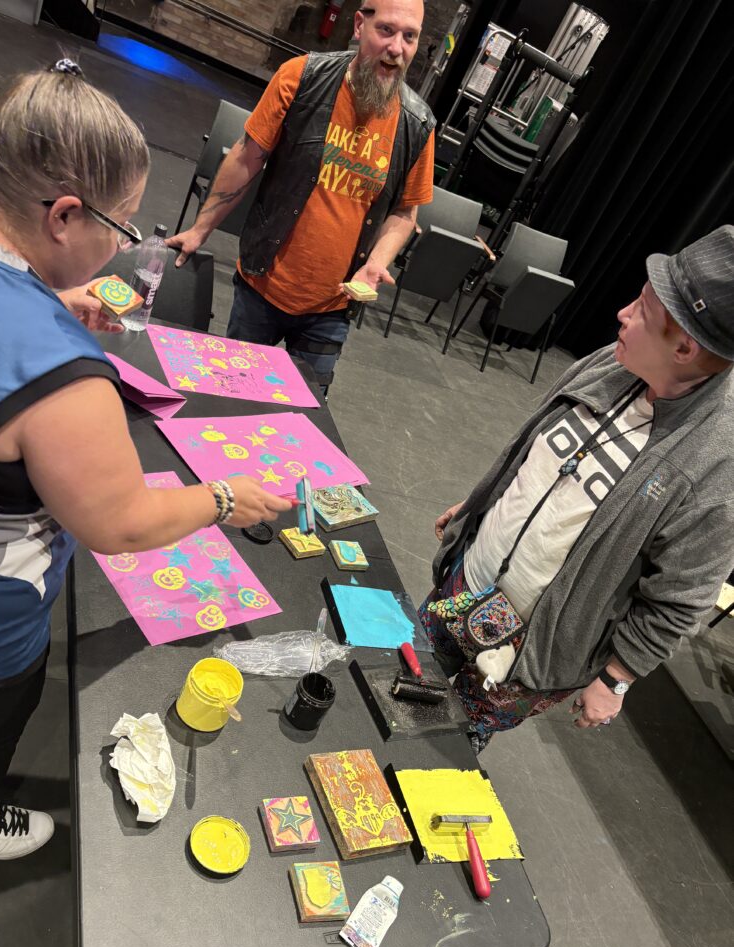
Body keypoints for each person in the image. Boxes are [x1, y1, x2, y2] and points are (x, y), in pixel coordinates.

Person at [0, 61, 291, 862]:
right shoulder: (61, 373)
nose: (121, 248)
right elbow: (119, 525)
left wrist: (43, 302)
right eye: (121, 227)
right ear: (64, 215)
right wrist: (223, 499)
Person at [421, 226, 734, 754]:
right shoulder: (615, 360)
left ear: (684, 346)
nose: (623, 313)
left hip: (525, 651)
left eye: (642, 308)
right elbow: (536, 454)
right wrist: (482, 506)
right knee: (398, 675)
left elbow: (681, 599)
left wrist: (616, 678)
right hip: (466, 581)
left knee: (444, 747)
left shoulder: (717, 463)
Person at [166, 0, 435, 393]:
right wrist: (199, 230)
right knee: (230, 398)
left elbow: (405, 212)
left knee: (303, 414)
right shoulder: (302, 77)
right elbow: (246, 157)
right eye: (386, 30)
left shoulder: (418, 122)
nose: (397, 48)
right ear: (359, 25)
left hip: (332, 308)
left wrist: (376, 262)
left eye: (409, 37)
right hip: (262, 288)